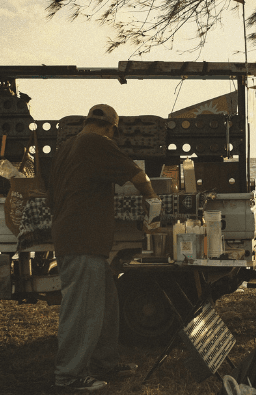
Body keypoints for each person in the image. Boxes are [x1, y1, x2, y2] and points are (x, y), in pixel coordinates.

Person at [49, 104, 159, 390]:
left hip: (78, 238)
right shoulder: (98, 143)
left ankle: (104, 363)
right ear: (111, 129)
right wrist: (153, 205)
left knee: (107, 305)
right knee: (82, 310)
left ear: (87, 121)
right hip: (82, 241)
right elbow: (139, 177)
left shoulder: (69, 147)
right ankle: (69, 376)